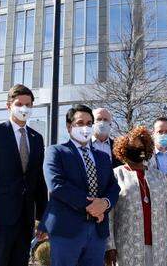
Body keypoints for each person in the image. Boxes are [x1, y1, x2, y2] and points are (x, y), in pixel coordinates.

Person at [0, 84, 48, 266]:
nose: (24, 108)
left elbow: (38, 180)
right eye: (19, 103)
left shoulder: (37, 138)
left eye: (29, 104)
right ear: (8, 105)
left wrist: (44, 218)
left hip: (25, 220)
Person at [41, 105, 120, 266]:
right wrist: (93, 206)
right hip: (66, 229)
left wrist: (104, 203)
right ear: (69, 127)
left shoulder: (103, 157)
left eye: (89, 123)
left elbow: (114, 187)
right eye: (80, 123)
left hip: (97, 232)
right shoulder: (56, 151)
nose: (85, 127)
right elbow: (57, 185)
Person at [106, 126, 167, 266]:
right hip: (127, 247)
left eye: (142, 146)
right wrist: (110, 246)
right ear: (124, 149)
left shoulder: (159, 176)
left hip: (159, 245)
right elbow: (109, 214)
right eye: (134, 146)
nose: (138, 149)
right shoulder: (116, 175)